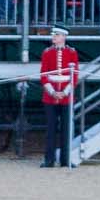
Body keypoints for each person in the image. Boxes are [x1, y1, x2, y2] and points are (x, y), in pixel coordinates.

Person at [38, 23, 79, 167]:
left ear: (63, 37)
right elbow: (43, 76)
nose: (53, 37)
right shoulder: (47, 52)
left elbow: (74, 76)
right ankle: (48, 160)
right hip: (51, 96)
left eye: (56, 35)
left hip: (66, 96)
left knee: (66, 130)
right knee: (51, 129)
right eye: (53, 35)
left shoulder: (72, 52)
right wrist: (53, 92)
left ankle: (65, 159)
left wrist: (65, 92)